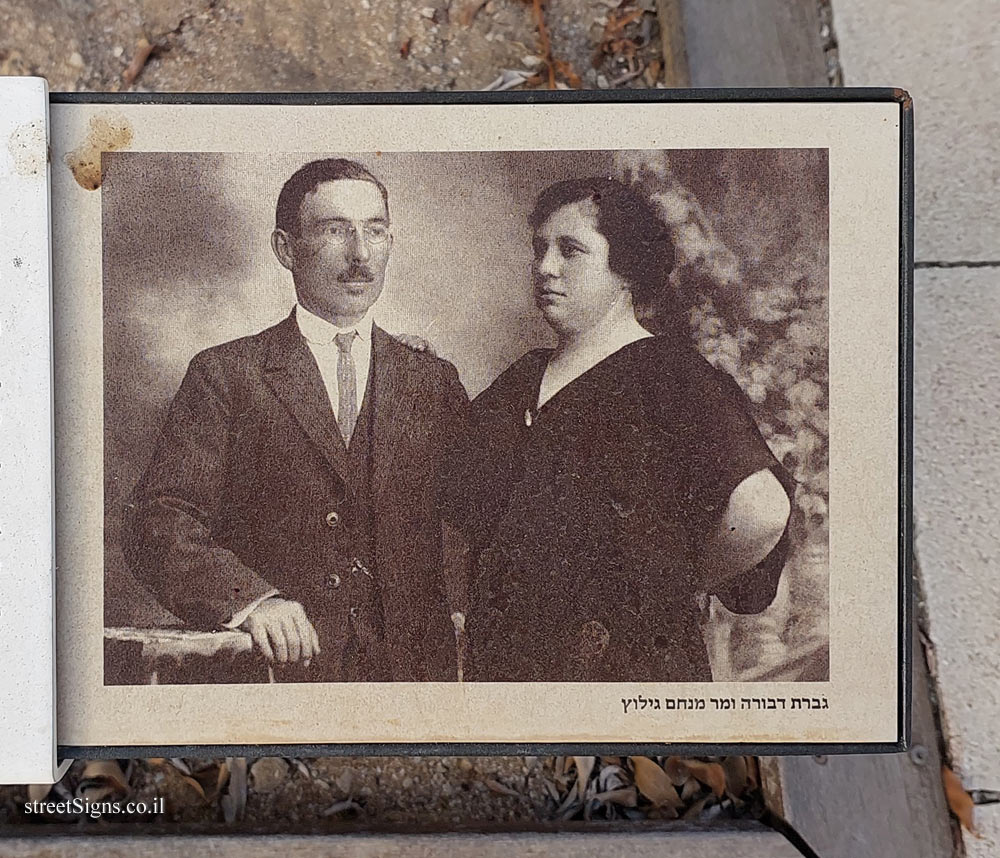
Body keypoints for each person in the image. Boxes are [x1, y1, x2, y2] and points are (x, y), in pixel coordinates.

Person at [123, 158, 469, 683]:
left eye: (374, 231)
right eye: (334, 230)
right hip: (280, 680)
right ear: (286, 249)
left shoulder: (432, 380)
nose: (359, 254)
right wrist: (252, 601)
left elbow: (491, 514)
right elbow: (158, 519)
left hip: (414, 682)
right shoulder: (226, 373)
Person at [445, 177, 794, 682]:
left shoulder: (670, 374)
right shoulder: (524, 377)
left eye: (571, 251)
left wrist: (672, 582)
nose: (545, 267)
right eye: (540, 249)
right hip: (510, 664)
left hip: (625, 666)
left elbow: (762, 512)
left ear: (626, 268)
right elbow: (452, 487)